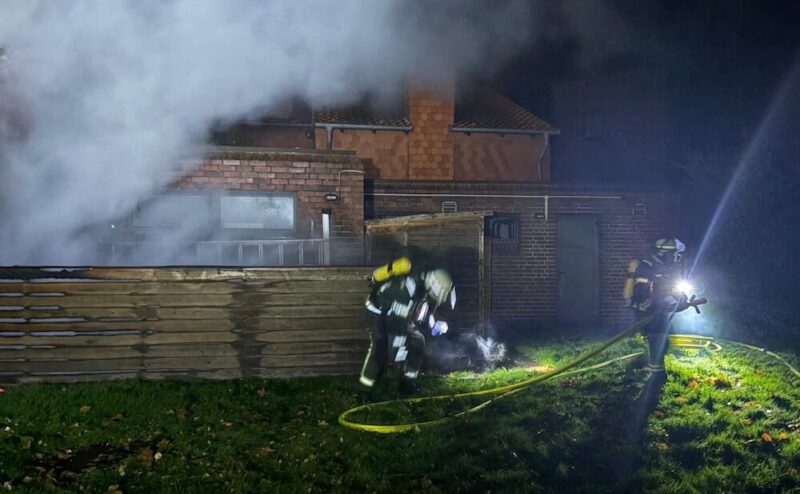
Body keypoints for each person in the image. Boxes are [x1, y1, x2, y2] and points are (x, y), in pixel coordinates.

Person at [359, 257, 456, 390]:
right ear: (435, 286)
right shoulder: (406, 289)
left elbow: (419, 315)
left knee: (418, 340)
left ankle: (408, 384)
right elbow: (397, 327)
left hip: (399, 315)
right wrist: (397, 355)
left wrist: (434, 326)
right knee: (380, 347)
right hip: (376, 313)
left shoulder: (423, 287)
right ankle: (365, 389)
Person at [624, 238, 701, 373]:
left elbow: (672, 288)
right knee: (657, 336)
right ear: (667, 253)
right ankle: (655, 366)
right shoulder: (648, 267)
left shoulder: (665, 268)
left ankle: (655, 363)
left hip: (657, 309)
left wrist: (683, 301)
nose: (677, 258)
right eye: (676, 254)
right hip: (647, 309)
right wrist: (646, 305)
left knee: (661, 337)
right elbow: (644, 290)